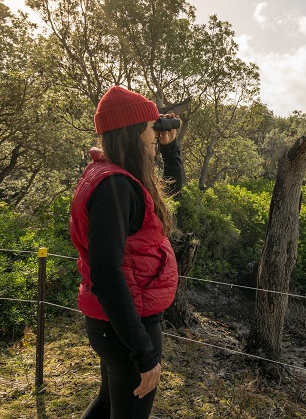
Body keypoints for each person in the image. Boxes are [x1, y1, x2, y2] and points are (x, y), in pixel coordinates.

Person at [69, 85, 182, 418]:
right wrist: (144, 354)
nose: (153, 138)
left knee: (107, 404)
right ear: (134, 133)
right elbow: (106, 274)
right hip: (129, 323)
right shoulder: (115, 187)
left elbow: (170, 199)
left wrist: (171, 149)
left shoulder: (111, 176)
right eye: (150, 128)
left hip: (113, 321)